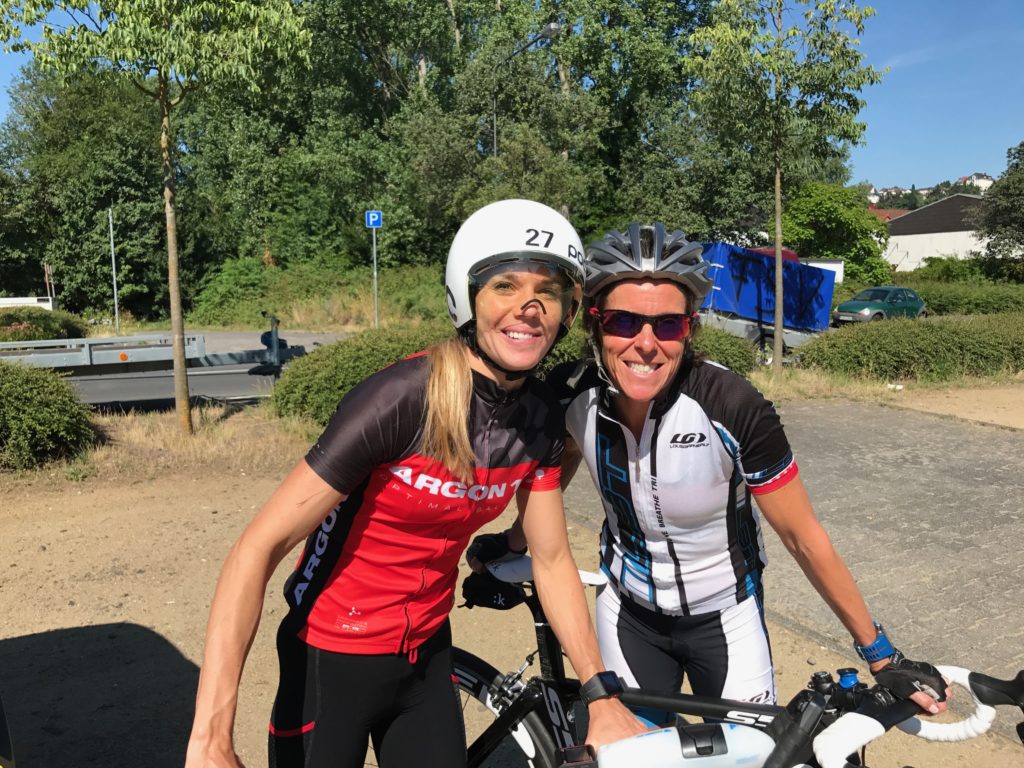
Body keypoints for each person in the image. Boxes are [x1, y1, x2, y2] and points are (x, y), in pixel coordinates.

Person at [184, 200, 646, 768]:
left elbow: (550, 559)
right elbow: (257, 549)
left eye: (548, 292)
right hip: (329, 658)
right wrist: (210, 737)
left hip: (426, 656)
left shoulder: (539, 418)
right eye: (505, 285)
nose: (529, 308)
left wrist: (599, 694)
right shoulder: (400, 400)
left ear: (567, 312)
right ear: (467, 296)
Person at [470, 222, 949, 724]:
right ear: (594, 325)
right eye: (623, 322)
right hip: (626, 613)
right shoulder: (573, 393)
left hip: (726, 617)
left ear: (691, 328)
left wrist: (881, 654)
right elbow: (560, 466)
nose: (646, 344)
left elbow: (802, 536)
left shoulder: (732, 405)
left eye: (669, 325)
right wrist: (514, 543)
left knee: (749, 757)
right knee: (633, 753)